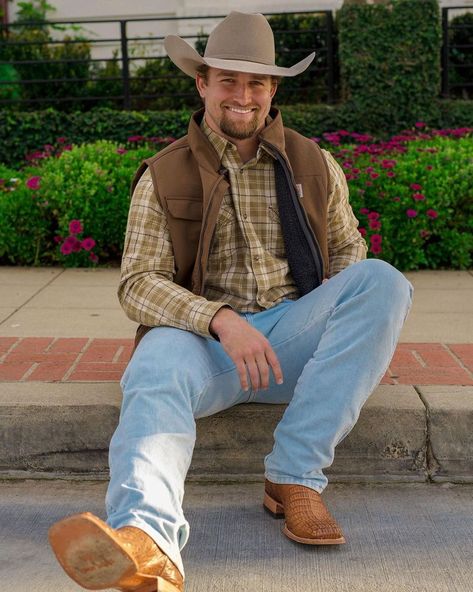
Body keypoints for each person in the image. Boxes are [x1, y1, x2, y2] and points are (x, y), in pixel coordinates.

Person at [48, 11, 413, 592]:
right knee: (154, 361)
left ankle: (293, 478)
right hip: (205, 352)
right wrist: (219, 320)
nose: (243, 96)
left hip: (290, 347)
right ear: (202, 83)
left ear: (273, 90)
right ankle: (148, 545)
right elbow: (137, 283)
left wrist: (346, 343)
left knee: (383, 281)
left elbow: (348, 257)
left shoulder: (316, 164)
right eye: (228, 80)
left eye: (257, 83)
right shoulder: (164, 173)